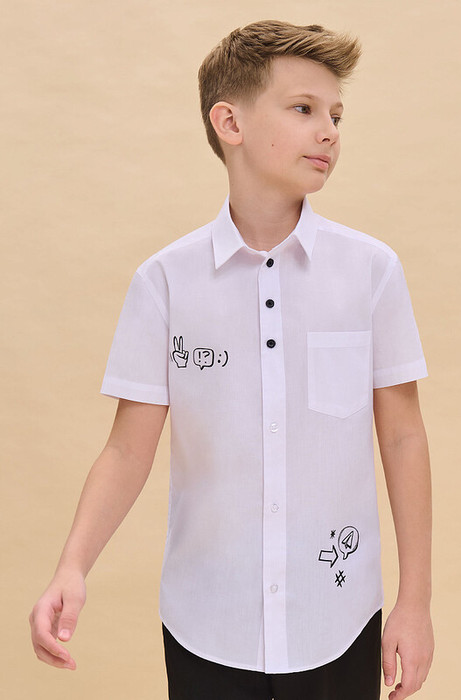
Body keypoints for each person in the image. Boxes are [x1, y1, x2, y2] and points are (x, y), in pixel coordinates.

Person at [30, 19, 434, 700]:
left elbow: (402, 438)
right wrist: (72, 566)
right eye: (303, 109)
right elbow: (127, 451)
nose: (328, 131)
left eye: (335, 115)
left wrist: (414, 603)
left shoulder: (371, 273)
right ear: (230, 122)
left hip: (337, 618)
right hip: (205, 623)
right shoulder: (165, 282)